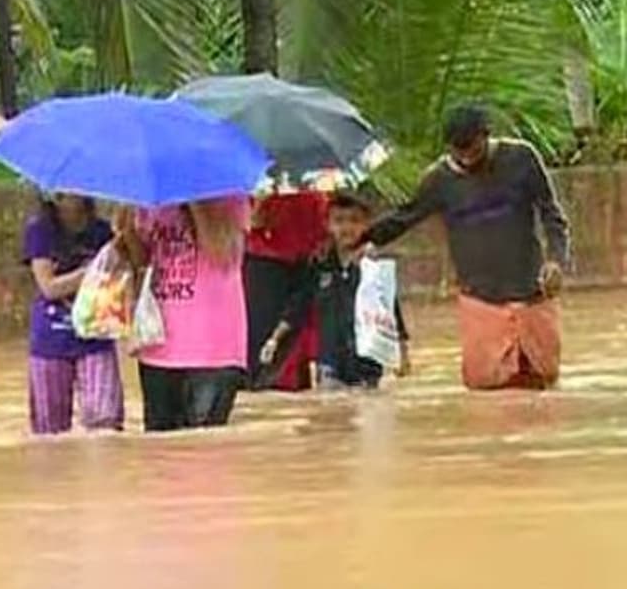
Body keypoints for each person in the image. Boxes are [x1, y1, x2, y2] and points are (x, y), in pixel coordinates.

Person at [360, 104, 570, 390]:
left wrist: (556, 260)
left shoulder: (521, 158)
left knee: (542, 383)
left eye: (472, 149)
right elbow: (404, 217)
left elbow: (551, 213)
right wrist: (362, 240)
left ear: (486, 136)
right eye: (458, 152)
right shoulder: (439, 180)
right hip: (481, 301)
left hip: (531, 294)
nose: (466, 158)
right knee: (485, 391)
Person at [115, 196, 251, 431]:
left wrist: (194, 201)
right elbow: (143, 262)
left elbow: (222, 254)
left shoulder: (230, 197)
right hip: (158, 344)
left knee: (204, 444)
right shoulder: (154, 197)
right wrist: (128, 233)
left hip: (212, 350)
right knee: (160, 445)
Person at [260, 192, 411, 391]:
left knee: (366, 404)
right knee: (330, 405)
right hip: (329, 362)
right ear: (328, 224)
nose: (347, 227)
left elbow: (391, 308)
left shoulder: (373, 266)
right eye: (339, 221)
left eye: (354, 220)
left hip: (367, 363)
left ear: (366, 224)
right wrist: (274, 338)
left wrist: (403, 353)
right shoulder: (319, 264)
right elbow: (298, 306)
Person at [21, 192, 125, 435]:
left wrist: (123, 241)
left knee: (105, 424)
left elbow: (117, 280)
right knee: (49, 431)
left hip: (95, 335)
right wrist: (88, 273)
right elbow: (49, 287)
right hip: (51, 339)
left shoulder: (103, 232)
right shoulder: (40, 230)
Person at [244, 192, 329, 391]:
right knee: (261, 343)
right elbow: (247, 223)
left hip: (302, 259)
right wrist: (257, 210)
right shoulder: (258, 184)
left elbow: (324, 226)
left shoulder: (311, 189)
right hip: (264, 261)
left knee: (295, 333)